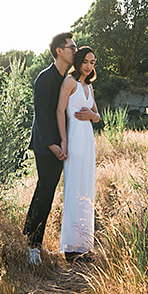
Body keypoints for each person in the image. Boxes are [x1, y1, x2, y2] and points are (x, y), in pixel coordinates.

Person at [24, 32, 76, 266]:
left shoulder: (65, 78)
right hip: (46, 146)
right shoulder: (45, 79)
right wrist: (54, 146)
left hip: (60, 145)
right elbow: (41, 116)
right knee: (45, 191)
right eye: (71, 47)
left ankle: (32, 240)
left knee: (47, 191)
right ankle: (32, 247)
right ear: (59, 51)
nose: (75, 50)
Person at [57, 45, 101, 260]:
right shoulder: (69, 82)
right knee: (74, 189)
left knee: (86, 190)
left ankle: (84, 246)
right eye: (86, 61)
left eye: (92, 63)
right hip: (73, 139)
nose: (89, 66)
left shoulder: (89, 86)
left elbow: (98, 116)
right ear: (78, 61)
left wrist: (93, 116)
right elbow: (59, 110)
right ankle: (70, 247)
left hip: (88, 141)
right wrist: (63, 140)